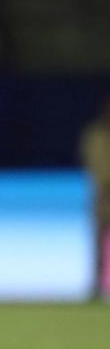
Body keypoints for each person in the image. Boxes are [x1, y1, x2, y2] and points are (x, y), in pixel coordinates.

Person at [80, 97, 110, 300]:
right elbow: (93, 162)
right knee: (99, 243)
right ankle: (97, 286)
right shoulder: (95, 136)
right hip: (103, 197)